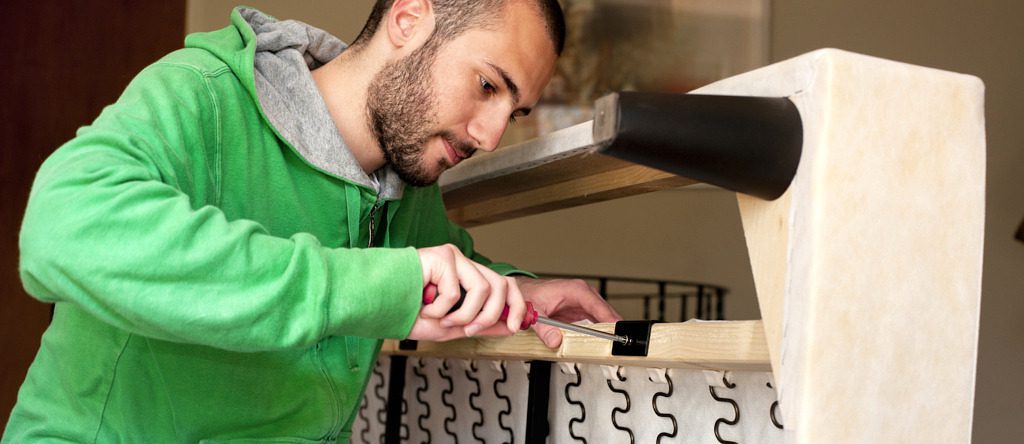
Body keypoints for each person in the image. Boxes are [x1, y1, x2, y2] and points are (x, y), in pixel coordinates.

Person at [3, 0, 621, 442]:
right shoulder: (204, 97)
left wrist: (515, 289)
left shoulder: (408, 183)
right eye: (487, 84)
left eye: (513, 112)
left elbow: (434, 271)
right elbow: (64, 227)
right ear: (408, 19)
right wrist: (374, 287)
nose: (489, 135)